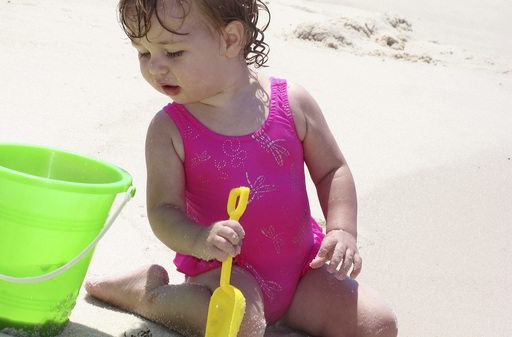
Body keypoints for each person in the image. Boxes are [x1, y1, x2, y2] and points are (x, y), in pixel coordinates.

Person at [85, 0, 398, 336]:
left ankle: (286, 316)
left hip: (303, 269)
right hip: (225, 270)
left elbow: (332, 170)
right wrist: (201, 239)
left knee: (377, 323)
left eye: (173, 52)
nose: (156, 67)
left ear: (231, 40)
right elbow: (163, 211)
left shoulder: (291, 103)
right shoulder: (170, 130)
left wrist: (341, 230)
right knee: (240, 324)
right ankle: (147, 296)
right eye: (144, 53)